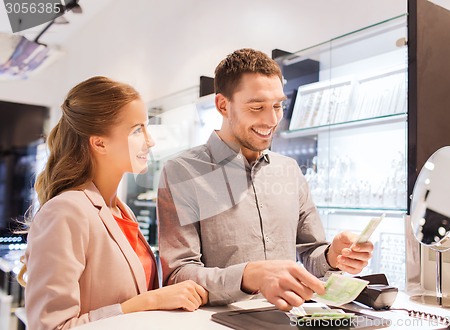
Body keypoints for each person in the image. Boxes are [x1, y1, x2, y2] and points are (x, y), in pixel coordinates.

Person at [157, 48, 374, 311]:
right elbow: (178, 275)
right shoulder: (183, 172)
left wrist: (333, 256)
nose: (271, 120)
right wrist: (250, 275)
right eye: (257, 107)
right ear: (223, 105)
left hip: (291, 318)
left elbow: (311, 254)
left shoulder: (289, 170)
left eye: (277, 106)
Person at [19, 76, 208, 330]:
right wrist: (148, 301)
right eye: (137, 130)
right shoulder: (65, 212)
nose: (150, 141)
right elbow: (51, 327)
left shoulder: (121, 210)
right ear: (99, 142)